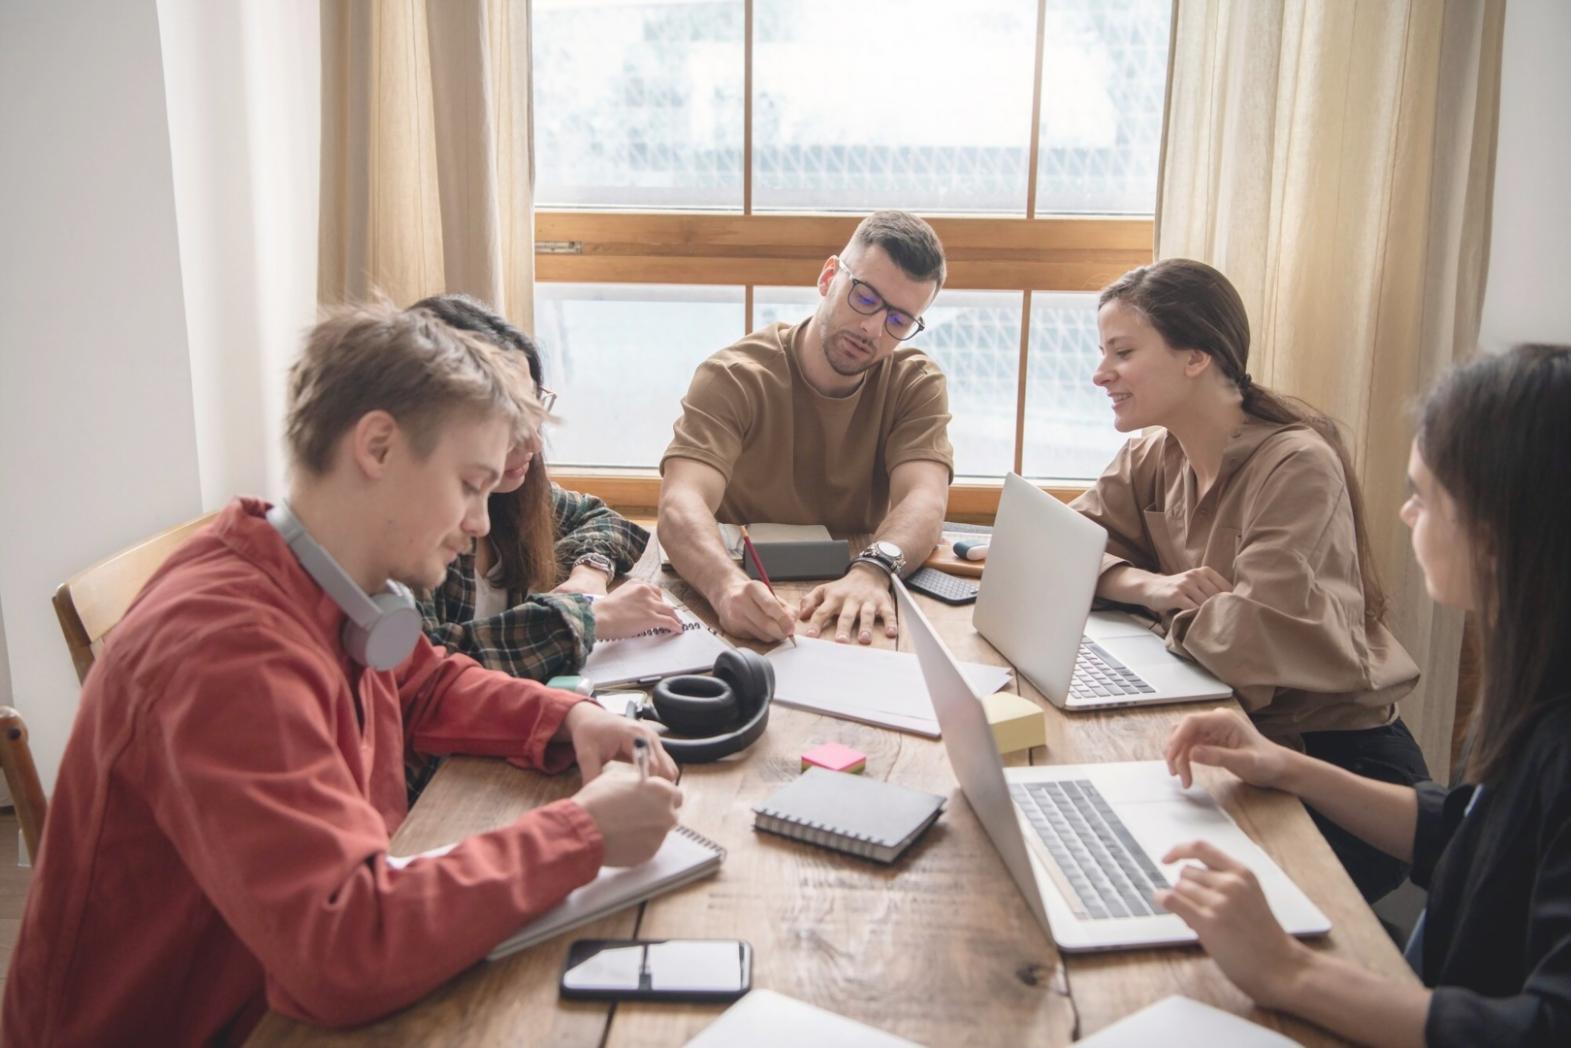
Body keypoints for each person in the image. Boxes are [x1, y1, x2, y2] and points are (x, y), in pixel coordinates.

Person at [2, 303, 682, 1044]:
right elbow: (344, 946)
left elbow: (422, 684)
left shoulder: (309, 571)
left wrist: (569, 719)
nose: (484, 522)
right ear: (379, 446)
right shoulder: (228, 649)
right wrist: (580, 833)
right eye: (469, 485)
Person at [1156, 343, 1571, 1046]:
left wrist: (1287, 970)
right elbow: (1469, 830)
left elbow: (1545, 1028)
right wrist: (1284, 766)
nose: (1407, 515)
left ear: (1494, 536)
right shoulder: (1538, 681)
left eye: (1422, 494)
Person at [1071, 259, 1428, 902]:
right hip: (1237, 736)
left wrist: (1156, 604)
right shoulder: (1155, 452)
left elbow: (1246, 643)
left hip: (1334, 762)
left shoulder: (1297, 465)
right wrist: (1148, 588)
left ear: (1196, 357)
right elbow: (1061, 550)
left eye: (1122, 352)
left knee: (1150, 890)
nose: (1100, 374)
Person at [405, 295, 682, 798]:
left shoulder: (513, 496)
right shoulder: (404, 537)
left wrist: (590, 572)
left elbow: (603, 519)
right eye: (508, 418)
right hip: (447, 789)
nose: (532, 444)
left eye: (534, 409)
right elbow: (433, 671)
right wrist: (586, 616)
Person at [659, 210, 954, 645]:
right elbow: (679, 503)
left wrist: (874, 570)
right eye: (866, 297)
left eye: (898, 320)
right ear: (828, 277)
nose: (873, 328)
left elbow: (925, 498)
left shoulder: (915, 383)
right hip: (739, 586)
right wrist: (726, 587)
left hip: (858, 588)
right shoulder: (733, 375)